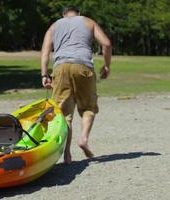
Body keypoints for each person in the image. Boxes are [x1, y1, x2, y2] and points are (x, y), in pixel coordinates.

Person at [40, 6, 112, 164]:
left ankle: (67, 155)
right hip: (83, 66)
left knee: (64, 114)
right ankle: (83, 139)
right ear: (78, 14)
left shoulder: (54, 26)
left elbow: (45, 52)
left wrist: (45, 74)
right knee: (88, 108)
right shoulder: (88, 21)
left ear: (64, 15)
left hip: (60, 68)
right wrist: (107, 66)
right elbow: (106, 44)